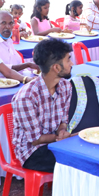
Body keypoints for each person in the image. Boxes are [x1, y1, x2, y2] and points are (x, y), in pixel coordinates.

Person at [11, 38, 73, 172]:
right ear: (56, 67)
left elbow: (63, 120)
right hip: (32, 152)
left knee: (84, 156)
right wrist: (61, 138)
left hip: (55, 143)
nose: (72, 63)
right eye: (68, 59)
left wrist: (62, 130)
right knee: (76, 163)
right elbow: (36, 140)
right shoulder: (26, 96)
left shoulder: (66, 86)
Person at [0, 11, 39, 77]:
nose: (8, 26)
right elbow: (1, 69)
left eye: (11, 23)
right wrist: (27, 65)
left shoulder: (9, 41)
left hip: (14, 81)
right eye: (3, 23)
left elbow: (18, 65)